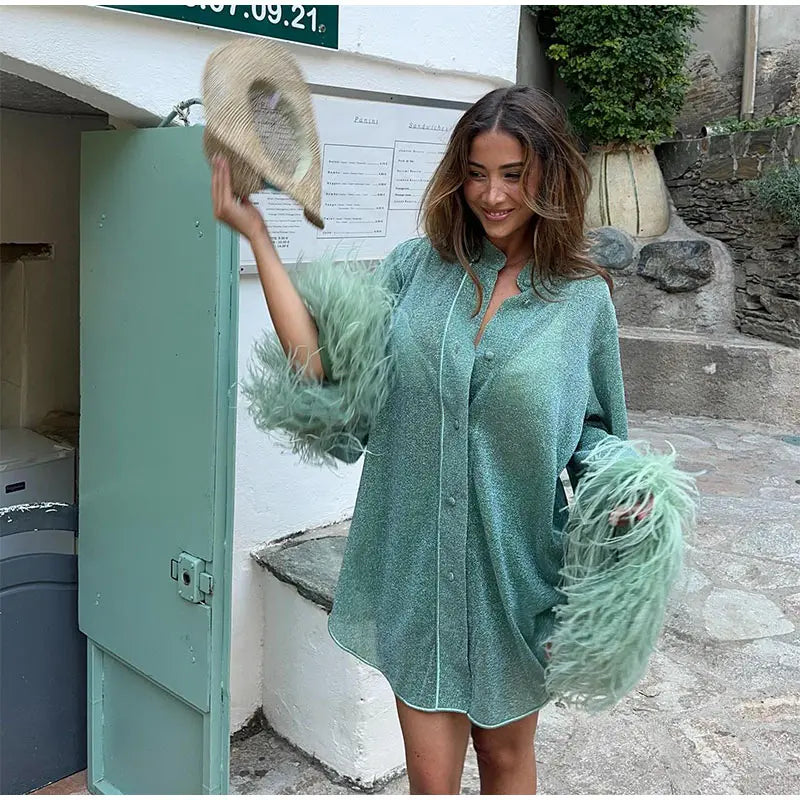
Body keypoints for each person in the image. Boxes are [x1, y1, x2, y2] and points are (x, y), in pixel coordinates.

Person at [212, 85, 690, 795]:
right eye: (476, 173)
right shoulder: (416, 270)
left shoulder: (581, 300)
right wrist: (258, 237)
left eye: (513, 174)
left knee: (504, 760)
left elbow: (590, 431)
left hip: (512, 572)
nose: (492, 195)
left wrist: (626, 493)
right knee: (431, 783)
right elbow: (325, 370)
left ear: (550, 176)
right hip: (417, 567)